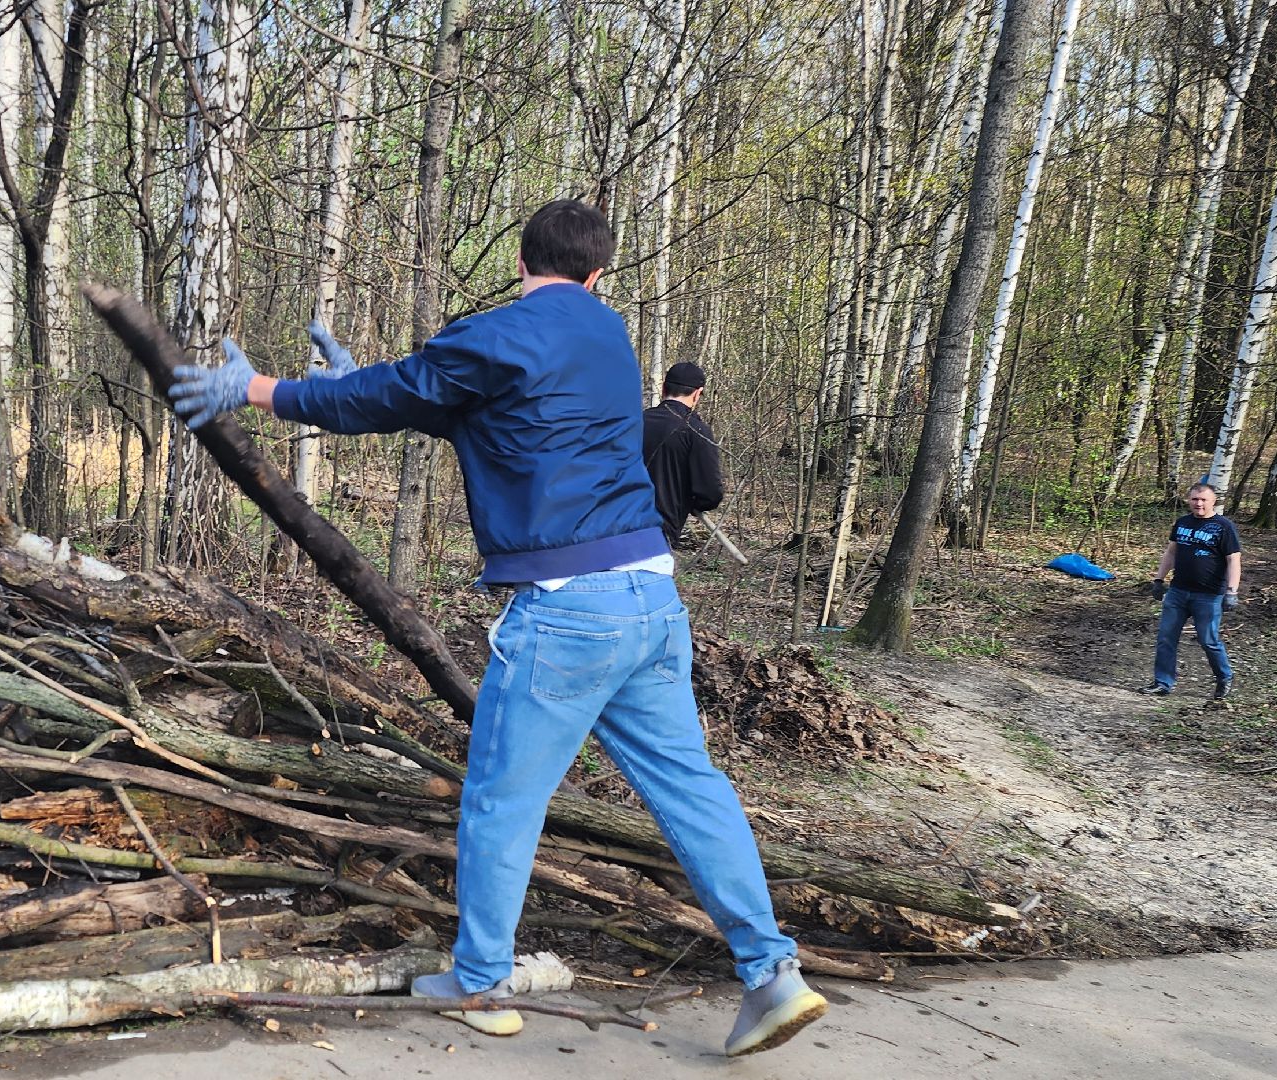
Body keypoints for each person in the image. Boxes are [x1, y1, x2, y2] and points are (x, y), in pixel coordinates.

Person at [165, 199, 826, 1057]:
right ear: (597, 275)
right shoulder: (606, 337)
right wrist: (342, 384)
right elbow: (463, 404)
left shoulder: (504, 329)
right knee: (690, 791)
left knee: (502, 802)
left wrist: (260, 391)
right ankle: (773, 974)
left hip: (569, 613)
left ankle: (479, 982)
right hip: (652, 604)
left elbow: (409, 390)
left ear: (522, 264)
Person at [1143, 482, 1242, 701]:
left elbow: (1233, 560)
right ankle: (1162, 682)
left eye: (1203, 499)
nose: (1198, 503)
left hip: (1208, 595)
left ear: (1213, 501)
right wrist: (1159, 579)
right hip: (1178, 591)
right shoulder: (1182, 523)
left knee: (1208, 640)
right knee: (1166, 637)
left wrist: (1232, 591)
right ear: (1189, 500)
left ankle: (1224, 677)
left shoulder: (1223, 527)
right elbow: (1171, 553)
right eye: (1194, 499)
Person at [642, 361, 724, 548]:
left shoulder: (635, 422)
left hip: (612, 531)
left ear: (663, 388)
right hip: (657, 537)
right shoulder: (696, 431)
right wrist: (694, 501)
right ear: (697, 394)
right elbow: (711, 493)